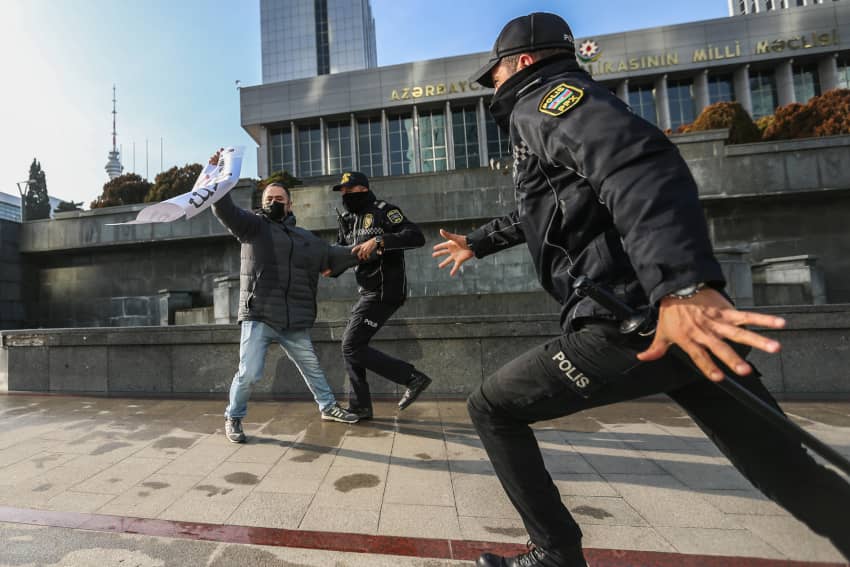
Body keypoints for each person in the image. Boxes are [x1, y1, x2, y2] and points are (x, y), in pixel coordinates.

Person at [433, 13, 850, 567]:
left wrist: (681, 286)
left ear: (523, 62)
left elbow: (637, 165)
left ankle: (555, 555)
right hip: (676, 325)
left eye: (497, 71)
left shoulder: (546, 99)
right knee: (789, 471)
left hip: (632, 321)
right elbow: (550, 209)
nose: (496, 84)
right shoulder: (567, 103)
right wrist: (479, 242)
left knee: (491, 408)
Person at [211, 153, 360, 443]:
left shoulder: (306, 238)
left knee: (312, 367)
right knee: (250, 373)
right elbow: (223, 208)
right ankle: (234, 416)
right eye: (269, 198)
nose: (274, 202)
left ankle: (328, 407)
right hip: (260, 315)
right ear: (261, 203)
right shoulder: (253, 226)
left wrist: (366, 249)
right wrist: (221, 175)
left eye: (279, 198)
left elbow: (333, 255)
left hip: (295, 318)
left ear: (290, 204)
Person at [333, 171, 431, 419]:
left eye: (350, 190)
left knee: (351, 345)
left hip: (386, 290)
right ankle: (360, 407)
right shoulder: (347, 220)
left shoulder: (384, 211)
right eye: (343, 191)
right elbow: (342, 253)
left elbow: (416, 236)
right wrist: (328, 266)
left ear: (363, 189)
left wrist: (380, 241)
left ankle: (411, 377)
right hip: (366, 291)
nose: (345, 195)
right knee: (352, 345)